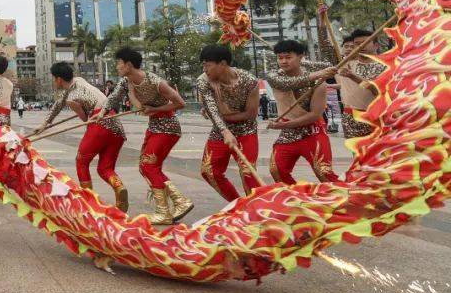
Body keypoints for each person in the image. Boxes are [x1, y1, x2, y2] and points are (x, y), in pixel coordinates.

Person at [105, 47, 192, 224]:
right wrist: (102, 113)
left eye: (119, 63)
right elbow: (116, 99)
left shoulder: (155, 81)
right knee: (146, 167)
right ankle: (179, 201)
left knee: (148, 166)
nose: (117, 67)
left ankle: (165, 211)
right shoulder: (126, 81)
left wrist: (156, 109)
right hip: (154, 126)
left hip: (168, 127)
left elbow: (180, 103)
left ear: (128, 65)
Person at [37, 62, 128, 211]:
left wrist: (46, 123)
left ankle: (88, 202)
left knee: (81, 162)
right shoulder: (79, 80)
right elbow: (58, 104)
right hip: (116, 126)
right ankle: (120, 190)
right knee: (105, 168)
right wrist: (45, 124)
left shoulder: (72, 98)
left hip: (99, 124)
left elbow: (85, 119)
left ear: (59, 79)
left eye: (54, 78)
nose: (54, 82)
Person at [265, 39, 338, 184]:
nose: (284, 61)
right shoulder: (275, 76)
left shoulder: (318, 83)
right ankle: (297, 199)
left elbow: (314, 115)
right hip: (288, 134)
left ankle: (346, 200)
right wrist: (317, 73)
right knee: (276, 170)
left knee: (324, 172)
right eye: (280, 58)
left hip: (313, 132)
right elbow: (286, 84)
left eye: (288, 57)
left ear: (300, 56)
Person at [195, 44, 261, 202]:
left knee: (248, 172)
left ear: (223, 64)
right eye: (203, 65)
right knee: (209, 172)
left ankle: (256, 209)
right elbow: (211, 108)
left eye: (208, 65)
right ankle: (237, 205)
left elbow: (251, 114)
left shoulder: (249, 81)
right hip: (220, 131)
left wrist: (221, 116)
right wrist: (224, 129)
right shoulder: (203, 81)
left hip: (246, 130)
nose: (205, 69)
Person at [336, 29, 386, 139]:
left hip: (375, 117)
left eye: (365, 43)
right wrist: (321, 22)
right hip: (350, 117)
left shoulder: (383, 66)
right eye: (357, 44)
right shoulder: (346, 64)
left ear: (376, 45)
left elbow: (377, 91)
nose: (361, 46)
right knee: (357, 154)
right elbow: (326, 50)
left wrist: (353, 77)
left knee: (377, 154)